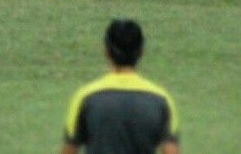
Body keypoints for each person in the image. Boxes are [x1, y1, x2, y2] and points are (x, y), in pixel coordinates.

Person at [61, 19, 180, 154]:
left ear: (106, 51)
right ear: (141, 51)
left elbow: (69, 150)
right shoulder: (161, 100)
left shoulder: (86, 97)